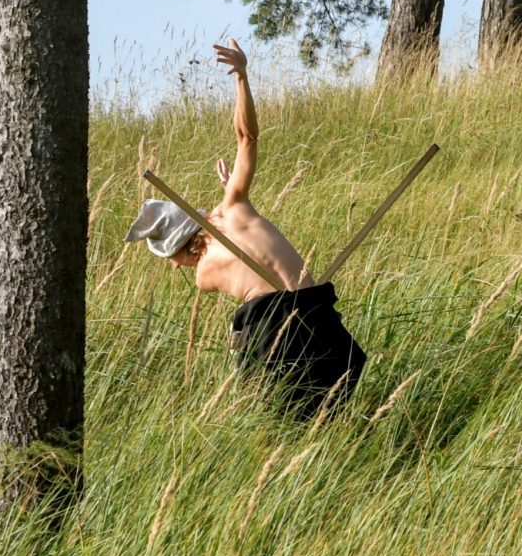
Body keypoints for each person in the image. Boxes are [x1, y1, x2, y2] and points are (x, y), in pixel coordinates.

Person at [129, 42, 365, 412]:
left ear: (178, 247)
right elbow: (247, 139)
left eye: (171, 258)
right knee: (333, 411)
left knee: (277, 419)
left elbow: (235, 262)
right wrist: (242, 76)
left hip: (274, 334)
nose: (176, 266)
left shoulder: (202, 276)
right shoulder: (236, 209)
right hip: (319, 315)